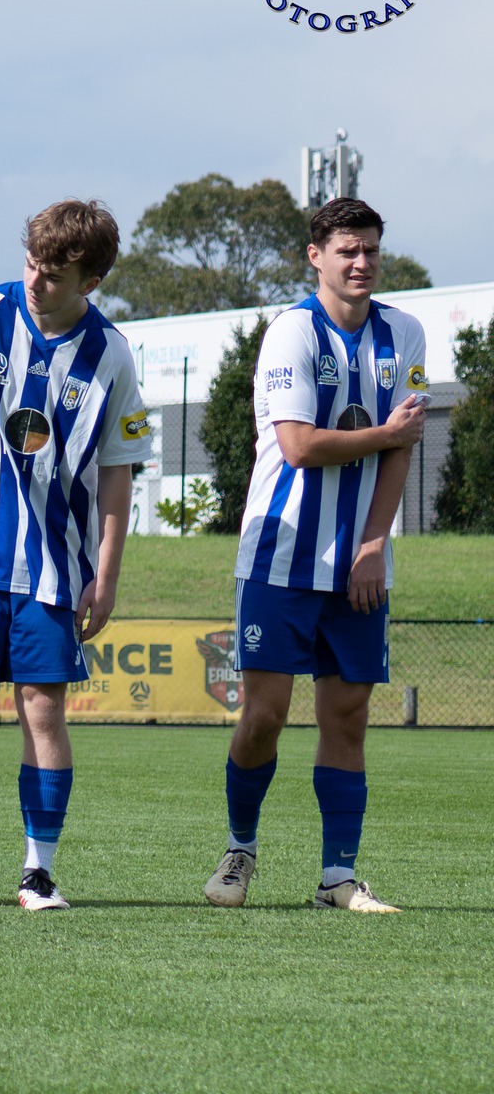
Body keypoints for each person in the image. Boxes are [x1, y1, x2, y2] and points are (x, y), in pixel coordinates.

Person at [0, 200, 148, 913]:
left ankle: (37, 872)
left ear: (91, 281)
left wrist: (107, 574)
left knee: (42, 711)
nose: (36, 280)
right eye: (31, 264)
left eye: (54, 274)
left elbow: (118, 470)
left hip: (54, 565)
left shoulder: (111, 354)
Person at [209, 197, 427, 914]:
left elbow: (405, 450)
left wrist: (374, 543)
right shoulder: (291, 333)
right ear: (316, 257)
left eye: (370, 249)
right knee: (265, 715)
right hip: (280, 555)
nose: (361, 262)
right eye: (346, 250)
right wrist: (386, 434)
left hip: (359, 562)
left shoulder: (405, 334)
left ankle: (338, 878)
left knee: (349, 715)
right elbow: (299, 446)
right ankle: (240, 849)